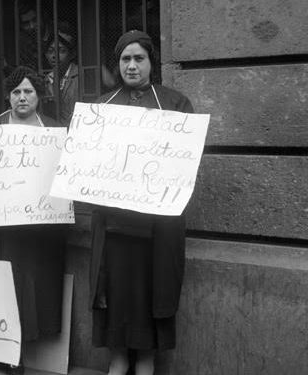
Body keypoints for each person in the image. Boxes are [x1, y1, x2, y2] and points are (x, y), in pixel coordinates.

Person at [89, 30, 193, 375]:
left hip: (157, 228)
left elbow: (185, 161)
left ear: (151, 62)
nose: (131, 66)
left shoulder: (174, 104)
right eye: (125, 59)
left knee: (153, 288)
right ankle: (118, 358)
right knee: (116, 290)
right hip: (115, 224)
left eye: (139, 58)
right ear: (117, 65)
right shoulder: (102, 108)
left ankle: (147, 359)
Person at [0, 66, 66, 375]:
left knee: (27, 291)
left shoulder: (53, 131)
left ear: (39, 96)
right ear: (9, 97)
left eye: (29, 92)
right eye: (16, 92)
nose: (22, 97)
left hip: (36, 230)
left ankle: (17, 355)